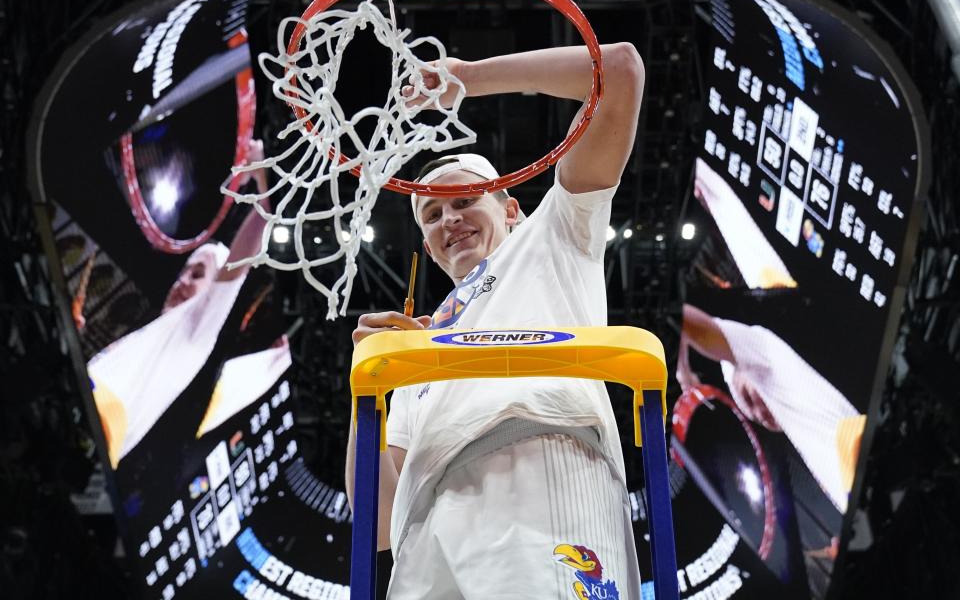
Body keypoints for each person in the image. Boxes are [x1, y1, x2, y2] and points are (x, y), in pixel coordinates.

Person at [347, 44, 645, 599]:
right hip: (425, 530)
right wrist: (370, 390)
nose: (449, 220)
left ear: (510, 208)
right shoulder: (419, 343)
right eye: (432, 215)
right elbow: (377, 517)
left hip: (540, 469)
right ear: (429, 247)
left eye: (463, 201)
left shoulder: (554, 233)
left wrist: (466, 77)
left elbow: (620, 71)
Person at [88, 140, 273, 468]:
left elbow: (252, 239)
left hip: (97, 424)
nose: (184, 282)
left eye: (198, 275)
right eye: (184, 273)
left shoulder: (196, 331)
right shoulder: (152, 334)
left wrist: (260, 174)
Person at [677, 303, 865, 512]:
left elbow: (686, 319)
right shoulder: (806, 436)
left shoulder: (764, 352)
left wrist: (683, 374)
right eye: (755, 418)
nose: (759, 414)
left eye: (749, 397)